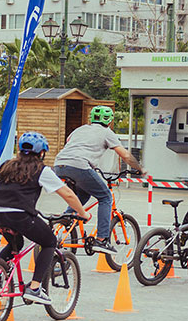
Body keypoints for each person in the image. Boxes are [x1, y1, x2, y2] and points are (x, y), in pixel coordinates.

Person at [0, 132, 91, 304]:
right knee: (49, 241)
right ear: (42, 153)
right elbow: (68, 194)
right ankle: (35, 288)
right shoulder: (41, 170)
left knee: (16, 243)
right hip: (18, 215)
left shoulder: (6, 165)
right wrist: (83, 213)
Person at [52, 105, 145, 254]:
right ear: (109, 120)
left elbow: (70, 143)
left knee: (83, 194)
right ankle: (102, 240)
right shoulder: (107, 132)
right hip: (79, 165)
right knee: (105, 197)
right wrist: (140, 169)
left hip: (59, 165)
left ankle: (66, 220)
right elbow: (125, 155)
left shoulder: (80, 129)